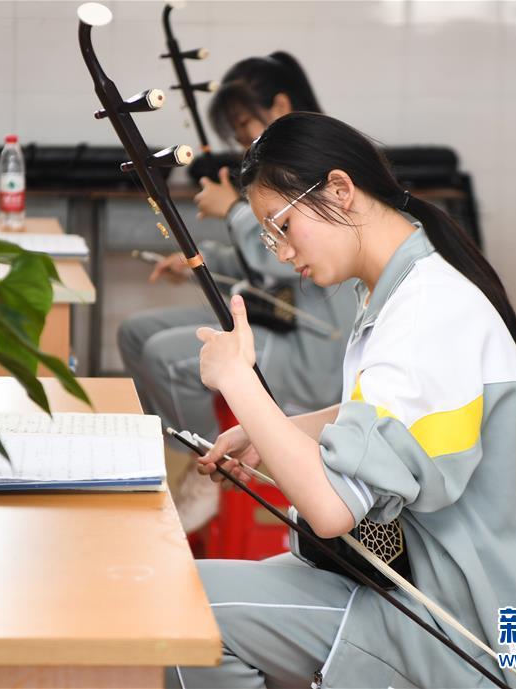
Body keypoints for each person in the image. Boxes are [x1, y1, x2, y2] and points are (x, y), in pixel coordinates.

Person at [167, 112, 516, 689]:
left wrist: (238, 382)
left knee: (185, 613)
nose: (281, 252)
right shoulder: (408, 284)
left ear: (341, 190)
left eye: (282, 226)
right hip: (423, 586)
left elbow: (333, 510)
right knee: (191, 597)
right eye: (269, 236)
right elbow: (389, 418)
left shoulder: (427, 312)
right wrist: (282, 430)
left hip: (470, 634)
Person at [118, 53, 360, 533]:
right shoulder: (286, 170)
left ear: (281, 105)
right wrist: (198, 263)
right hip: (282, 317)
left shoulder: (316, 171)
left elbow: (285, 257)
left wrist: (233, 210)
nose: (244, 142)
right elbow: (270, 256)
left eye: (246, 126)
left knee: (168, 357)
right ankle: (177, 460)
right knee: (134, 333)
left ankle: (208, 471)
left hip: (313, 345)